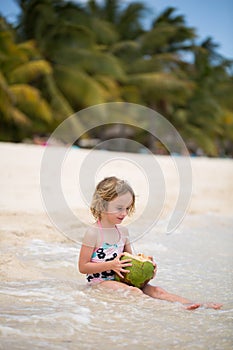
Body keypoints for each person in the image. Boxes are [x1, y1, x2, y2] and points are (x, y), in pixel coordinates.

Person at [78, 176, 222, 310]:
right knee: (134, 292)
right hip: (99, 283)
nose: (124, 213)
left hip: (121, 280)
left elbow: (129, 262)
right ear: (102, 205)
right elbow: (83, 267)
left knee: (157, 291)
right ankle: (172, 310)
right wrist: (111, 265)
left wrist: (145, 268)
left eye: (127, 208)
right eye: (119, 208)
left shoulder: (123, 232)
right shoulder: (94, 233)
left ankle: (193, 305)